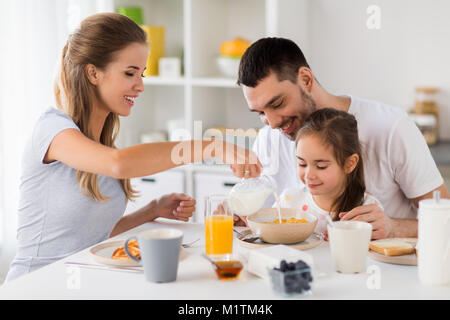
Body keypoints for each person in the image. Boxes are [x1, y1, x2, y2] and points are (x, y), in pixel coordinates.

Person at [5, 13, 260, 282]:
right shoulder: (52, 129)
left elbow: (92, 236)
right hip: (35, 285)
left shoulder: (100, 145)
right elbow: (120, 163)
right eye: (130, 73)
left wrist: (152, 210)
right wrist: (210, 147)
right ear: (93, 73)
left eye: (142, 74)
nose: (140, 86)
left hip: (80, 281)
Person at [233, 37, 449, 239]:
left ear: (306, 79)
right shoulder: (269, 138)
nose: (271, 123)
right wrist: (240, 218)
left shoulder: (391, 127)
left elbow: (445, 220)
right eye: (260, 113)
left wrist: (392, 227)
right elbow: (264, 223)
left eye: (278, 104)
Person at [277, 108, 382, 237]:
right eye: (302, 164)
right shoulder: (288, 202)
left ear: (349, 164)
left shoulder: (367, 210)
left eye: (321, 166)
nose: (309, 175)